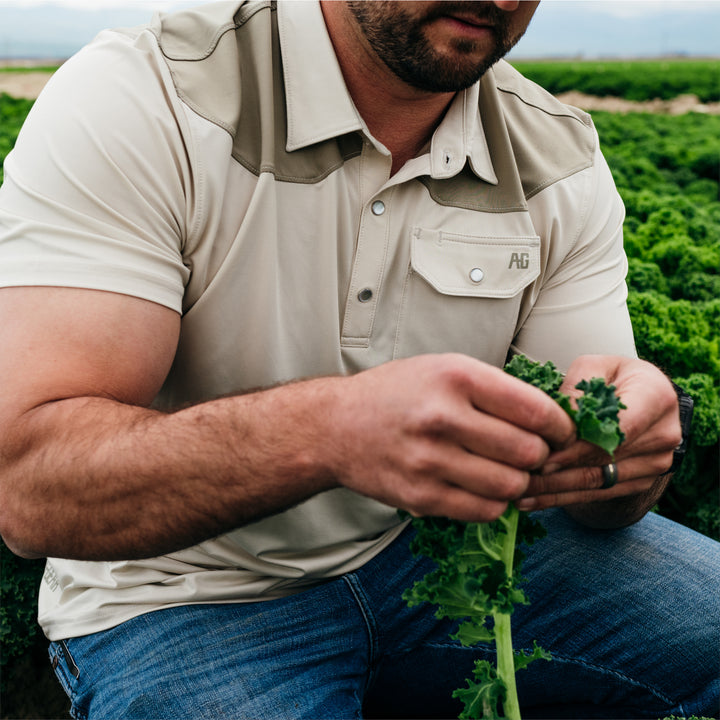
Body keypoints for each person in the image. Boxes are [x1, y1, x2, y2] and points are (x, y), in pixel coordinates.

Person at [0, 1, 717, 718]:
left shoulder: (556, 156)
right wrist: (326, 432)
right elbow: (29, 487)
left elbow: (600, 473)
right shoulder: (149, 95)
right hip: (182, 594)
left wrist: (628, 457)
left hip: (435, 549)